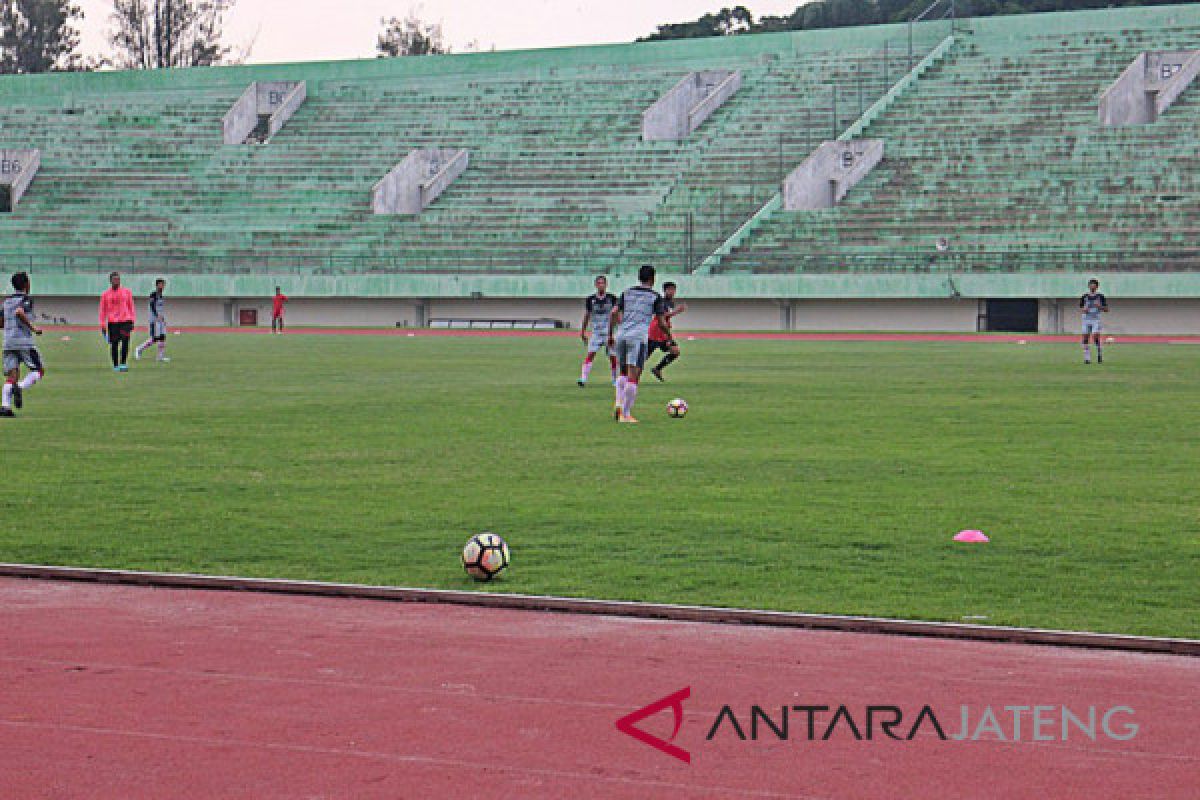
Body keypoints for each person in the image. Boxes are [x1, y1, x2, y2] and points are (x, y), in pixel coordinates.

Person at [608, 265, 670, 424]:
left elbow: (614, 312)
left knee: (622, 372)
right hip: (638, 337)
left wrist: (610, 334)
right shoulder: (655, 297)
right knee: (634, 375)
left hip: (621, 335)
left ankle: (618, 403)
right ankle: (626, 414)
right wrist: (669, 336)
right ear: (652, 278)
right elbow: (662, 322)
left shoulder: (626, 293)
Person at [1, 271, 44, 418]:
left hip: (8, 342)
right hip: (23, 341)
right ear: (26, 284)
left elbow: (1, 322)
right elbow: (20, 312)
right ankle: (18, 387)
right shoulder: (25, 299)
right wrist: (34, 328)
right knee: (39, 370)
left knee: (12, 375)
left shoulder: (6, 302)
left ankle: (5, 407)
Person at [577, 275, 618, 387]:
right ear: (595, 285)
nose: (601, 285)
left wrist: (616, 330)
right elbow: (587, 315)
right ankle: (583, 378)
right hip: (596, 332)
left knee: (613, 357)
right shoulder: (591, 299)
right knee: (591, 354)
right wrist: (583, 331)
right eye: (599, 283)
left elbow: (616, 315)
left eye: (603, 283)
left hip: (609, 332)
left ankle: (615, 379)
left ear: (606, 285)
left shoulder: (612, 298)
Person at [648, 281, 688, 382]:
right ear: (664, 291)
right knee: (643, 357)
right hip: (655, 332)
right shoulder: (661, 301)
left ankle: (657, 369)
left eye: (673, 290)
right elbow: (661, 315)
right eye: (669, 289)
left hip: (664, 333)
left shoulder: (670, 302)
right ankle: (626, 373)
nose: (672, 292)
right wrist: (676, 312)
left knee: (675, 351)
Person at [99, 271, 136, 372]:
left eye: (118, 279)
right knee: (114, 344)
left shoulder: (127, 292)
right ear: (110, 281)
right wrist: (102, 323)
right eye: (115, 279)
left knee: (125, 341)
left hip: (125, 321)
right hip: (113, 322)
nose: (117, 281)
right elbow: (103, 310)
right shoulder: (105, 295)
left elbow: (131, 306)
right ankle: (116, 365)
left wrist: (132, 320)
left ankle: (123, 363)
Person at [135, 278, 170, 363]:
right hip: (154, 320)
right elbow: (152, 306)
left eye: (163, 284)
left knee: (163, 337)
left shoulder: (161, 296)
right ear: (157, 285)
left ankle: (160, 357)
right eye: (161, 284)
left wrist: (163, 318)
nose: (162, 286)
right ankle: (139, 349)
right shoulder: (153, 295)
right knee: (154, 339)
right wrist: (157, 315)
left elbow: (160, 308)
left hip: (160, 320)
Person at [1079, 278, 1109, 364]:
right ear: (1088, 286)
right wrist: (1084, 310)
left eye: (1094, 285)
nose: (1092, 286)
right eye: (1091, 284)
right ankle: (1087, 358)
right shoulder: (1084, 297)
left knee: (1095, 336)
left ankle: (1099, 352)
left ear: (1097, 286)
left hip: (1096, 319)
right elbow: (1081, 308)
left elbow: (1106, 309)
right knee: (1085, 337)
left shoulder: (1100, 297)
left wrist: (1100, 306)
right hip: (1086, 319)